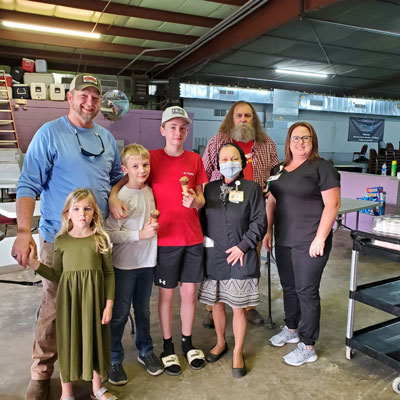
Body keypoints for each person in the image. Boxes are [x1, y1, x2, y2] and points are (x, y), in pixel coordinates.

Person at [11, 73, 124, 400]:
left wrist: (114, 195)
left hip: (96, 240)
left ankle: (91, 372)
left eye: (95, 97)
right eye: (83, 95)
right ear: (69, 97)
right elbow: (28, 185)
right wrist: (22, 232)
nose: (89, 102)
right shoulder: (50, 134)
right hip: (57, 241)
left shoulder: (106, 138)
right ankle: (42, 373)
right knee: (55, 308)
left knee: (92, 307)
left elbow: (117, 178)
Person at [110, 106, 208, 376]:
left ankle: (187, 342)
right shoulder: (150, 159)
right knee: (166, 296)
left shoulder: (195, 160)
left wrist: (195, 202)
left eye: (183, 128)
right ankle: (167, 346)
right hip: (165, 241)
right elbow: (125, 180)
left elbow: (201, 197)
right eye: (173, 127)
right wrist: (112, 197)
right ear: (163, 130)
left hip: (192, 237)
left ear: (187, 131)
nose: (178, 132)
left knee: (189, 294)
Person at [26, 188, 117, 400]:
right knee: (67, 345)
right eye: (76, 209)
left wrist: (109, 304)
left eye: (87, 208)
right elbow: (56, 274)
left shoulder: (100, 239)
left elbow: (109, 274)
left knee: (95, 342)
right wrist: (35, 264)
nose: (82, 213)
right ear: (67, 214)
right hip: (69, 305)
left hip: (94, 304)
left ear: (94, 213)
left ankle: (97, 388)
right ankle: (66, 393)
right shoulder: (62, 241)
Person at [264, 121, 340, 366]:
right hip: (283, 238)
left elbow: (333, 205)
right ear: (288, 141)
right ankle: (292, 328)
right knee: (289, 287)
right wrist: (267, 231)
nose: (300, 142)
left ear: (312, 141)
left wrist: (320, 237)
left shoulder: (322, 167)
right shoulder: (279, 168)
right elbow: (272, 202)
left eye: (305, 138)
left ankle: (307, 345)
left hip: (310, 240)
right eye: (295, 138)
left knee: (306, 291)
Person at [202, 101, 279, 328]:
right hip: (220, 213)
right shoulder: (218, 140)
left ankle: (247, 306)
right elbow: (204, 171)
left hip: (253, 212)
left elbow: (276, 174)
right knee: (217, 260)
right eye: (239, 115)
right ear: (231, 118)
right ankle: (213, 307)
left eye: (248, 115)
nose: (243, 119)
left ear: (254, 119)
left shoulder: (267, 144)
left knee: (249, 261)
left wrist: (270, 205)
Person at [198, 143, 267, 378]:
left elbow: (259, 222)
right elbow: (200, 221)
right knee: (216, 303)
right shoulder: (209, 190)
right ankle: (220, 342)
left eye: (233, 158)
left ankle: (237, 352)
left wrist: (243, 246)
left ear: (242, 161)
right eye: (224, 159)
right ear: (218, 164)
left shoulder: (253, 188)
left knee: (238, 308)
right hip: (214, 256)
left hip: (241, 256)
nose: (229, 163)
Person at [105, 144, 164, 385]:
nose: (142, 170)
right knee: (119, 314)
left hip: (147, 263)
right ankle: (114, 358)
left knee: (143, 311)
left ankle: (145, 351)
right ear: (124, 169)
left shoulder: (150, 191)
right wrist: (139, 235)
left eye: (145, 165)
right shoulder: (120, 198)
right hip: (125, 265)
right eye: (135, 166)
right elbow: (110, 234)